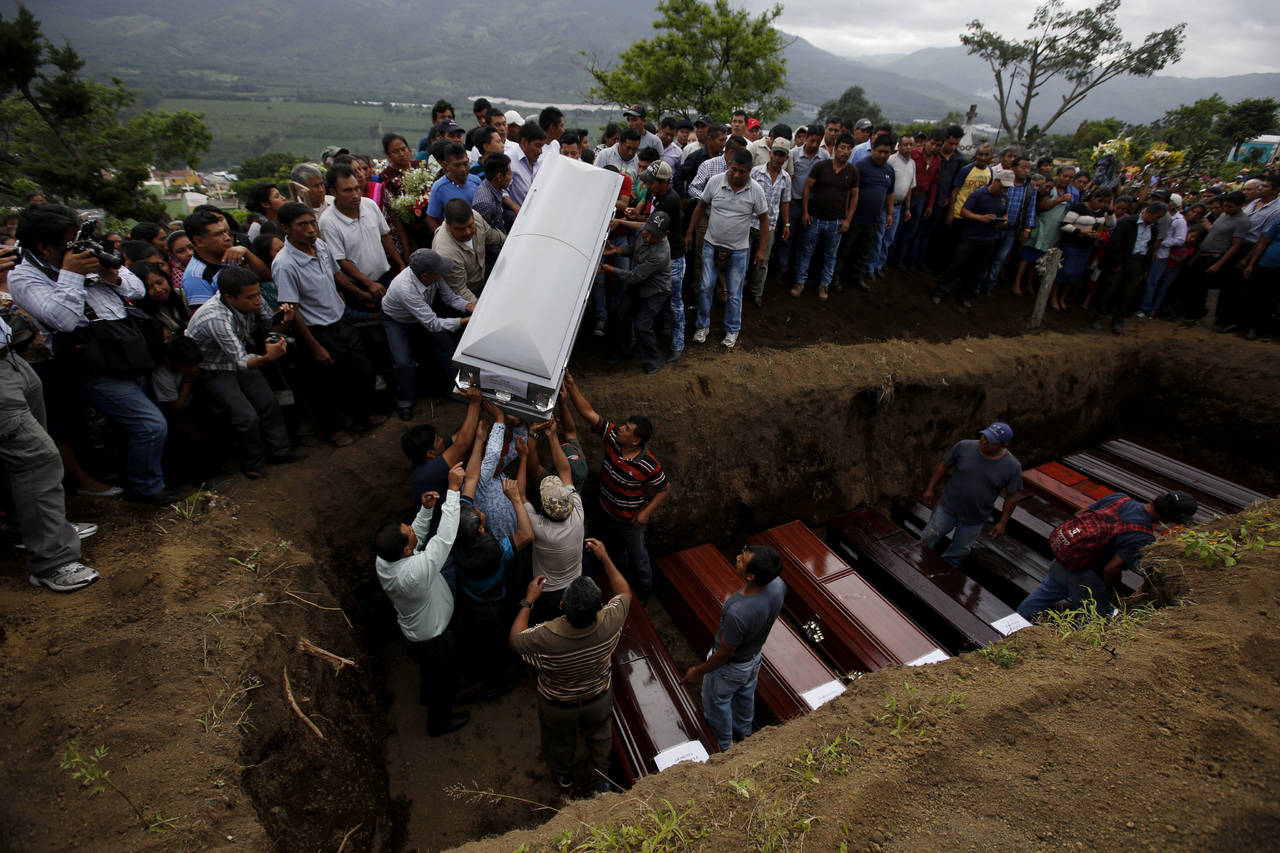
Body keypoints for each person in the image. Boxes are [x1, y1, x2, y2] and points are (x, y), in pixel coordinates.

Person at [10, 204, 173, 504]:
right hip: (91, 365)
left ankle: (136, 479)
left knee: (129, 429)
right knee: (150, 425)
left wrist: (108, 273)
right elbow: (63, 320)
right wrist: (72, 275)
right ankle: (147, 489)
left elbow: (137, 289)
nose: (76, 247)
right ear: (45, 247)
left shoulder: (88, 255)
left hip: (127, 353)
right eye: (67, 242)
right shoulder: (24, 277)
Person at [509, 538, 631, 797]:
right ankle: (600, 782)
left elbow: (516, 640)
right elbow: (625, 593)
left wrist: (528, 601)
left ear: (562, 607)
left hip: (557, 705)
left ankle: (564, 777)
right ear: (599, 608)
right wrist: (605, 557)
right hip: (597, 697)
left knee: (558, 740)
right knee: (599, 737)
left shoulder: (546, 636)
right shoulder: (610, 621)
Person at [0, 312, 100, 592]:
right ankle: (53, 560)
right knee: (37, 460)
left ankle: (40, 529)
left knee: (21, 453)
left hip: (9, 358)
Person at [272, 202, 382, 447]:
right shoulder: (285, 264)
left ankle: (363, 417)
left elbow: (336, 276)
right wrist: (315, 347)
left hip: (341, 321)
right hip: (316, 331)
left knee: (361, 371)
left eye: (312, 222)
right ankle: (335, 430)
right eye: (303, 225)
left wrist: (360, 294)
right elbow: (293, 311)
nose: (311, 229)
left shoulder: (320, 246)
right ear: (286, 228)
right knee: (327, 385)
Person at [373, 462, 470, 736]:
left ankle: (428, 694)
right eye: (409, 530)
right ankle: (440, 721)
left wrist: (426, 510)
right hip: (435, 641)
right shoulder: (414, 573)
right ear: (405, 550)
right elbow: (445, 538)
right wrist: (453, 491)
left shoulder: (384, 560)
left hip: (417, 636)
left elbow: (412, 538)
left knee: (431, 675)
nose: (412, 528)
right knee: (445, 680)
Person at [183, 266, 304, 478]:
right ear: (229, 297)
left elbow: (269, 322)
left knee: (268, 403)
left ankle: (279, 451)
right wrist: (268, 358)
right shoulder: (216, 318)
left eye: (258, 294)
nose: (257, 300)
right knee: (245, 416)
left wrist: (283, 319)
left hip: (241, 359)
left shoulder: (251, 297)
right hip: (215, 368)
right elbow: (241, 361)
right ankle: (252, 463)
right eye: (251, 297)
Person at [562, 372, 669, 601]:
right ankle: (618, 585)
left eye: (627, 429)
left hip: (631, 523)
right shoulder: (613, 439)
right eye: (624, 425)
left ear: (636, 441)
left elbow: (664, 488)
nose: (620, 428)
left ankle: (642, 597)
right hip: (606, 513)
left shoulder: (648, 464)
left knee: (640, 560)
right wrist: (571, 386)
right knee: (615, 553)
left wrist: (646, 513)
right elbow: (588, 413)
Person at [1016, 491, 1198, 621]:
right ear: (1170, 517)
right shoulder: (1141, 535)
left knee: (1041, 596)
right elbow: (1112, 567)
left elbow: (1080, 514)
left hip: (1065, 560)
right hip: (1088, 577)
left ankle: (1011, 628)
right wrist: (1111, 589)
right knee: (1095, 619)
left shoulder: (1119, 498)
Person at [682, 544, 786, 752]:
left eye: (742, 560)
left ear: (750, 577)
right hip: (754, 658)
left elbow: (724, 654)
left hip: (730, 668)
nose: (737, 557)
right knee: (746, 694)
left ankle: (725, 745)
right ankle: (745, 731)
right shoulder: (778, 585)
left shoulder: (738, 612)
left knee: (717, 703)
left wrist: (698, 671)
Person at [685, 149, 769, 349]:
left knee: (734, 292)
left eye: (742, 171)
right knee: (706, 287)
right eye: (734, 170)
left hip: (739, 250)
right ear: (728, 166)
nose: (737, 175)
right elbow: (700, 207)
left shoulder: (755, 190)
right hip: (711, 244)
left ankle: (732, 329)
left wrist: (762, 249)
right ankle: (702, 326)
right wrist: (689, 232)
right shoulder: (715, 181)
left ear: (749, 171)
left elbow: (764, 219)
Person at [381, 249, 475, 418]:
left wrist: (470, 307)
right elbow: (432, 324)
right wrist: (465, 321)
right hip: (397, 321)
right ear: (425, 276)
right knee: (404, 362)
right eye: (440, 271)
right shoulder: (405, 288)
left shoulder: (433, 275)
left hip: (421, 316)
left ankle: (460, 390)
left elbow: (450, 298)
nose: (443, 273)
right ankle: (404, 402)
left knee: (447, 348)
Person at [920, 422, 1023, 566]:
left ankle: (944, 575)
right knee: (929, 536)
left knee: (959, 550)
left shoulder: (1013, 467)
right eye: (984, 436)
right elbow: (944, 465)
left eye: (990, 441)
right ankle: (917, 562)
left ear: (1003, 445)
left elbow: (1013, 496)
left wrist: (1002, 523)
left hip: (975, 517)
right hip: (948, 507)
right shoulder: (964, 446)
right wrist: (930, 488)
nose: (984, 441)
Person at [523, 418, 586, 625]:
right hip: (576, 583)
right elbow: (566, 471)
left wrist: (530, 442)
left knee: (548, 622)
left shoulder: (539, 528)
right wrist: (552, 435)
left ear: (541, 508)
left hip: (546, 590)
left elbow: (519, 496)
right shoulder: (577, 513)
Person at [319, 164, 404, 310]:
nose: (355, 195)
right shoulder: (328, 221)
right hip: (360, 286)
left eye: (357, 188)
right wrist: (368, 284)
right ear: (333, 192)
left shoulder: (369, 205)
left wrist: (400, 264)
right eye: (348, 190)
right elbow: (340, 260)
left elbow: (385, 236)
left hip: (384, 277)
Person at [599, 210, 672, 374]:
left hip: (655, 290)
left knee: (642, 325)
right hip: (638, 283)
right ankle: (625, 351)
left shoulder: (661, 254)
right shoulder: (644, 231)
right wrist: (617, 250)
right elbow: (634, 248)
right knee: (621, 313)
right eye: (648, 231)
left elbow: (634, 277)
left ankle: (653, 361)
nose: (648, 237)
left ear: (665, 234)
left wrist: (610, 269)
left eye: (654, 236)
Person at [791, 132, 857, 301]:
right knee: (807, 251)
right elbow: (807, 189)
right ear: (835, 148)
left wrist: (848, 220)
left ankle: (824, 286)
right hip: (815, 218)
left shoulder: (853, 172)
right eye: (842, 147)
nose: (845, 152)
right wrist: (805, 212)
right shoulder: (821, 166)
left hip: (836, 222)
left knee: (830, 255)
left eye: (849, 149)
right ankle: (800, 283)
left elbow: (855, 196)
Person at [932, 168, 1012, 308]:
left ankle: (965, 295)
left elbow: (1005, 214)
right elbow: (964, 212)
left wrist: (1003, 220)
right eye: (1003, 187)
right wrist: (980, 218)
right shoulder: (978, 194)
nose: (1004, 190)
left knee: (977, 269)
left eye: (1007, 188)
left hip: (990, 239)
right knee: (957, 263)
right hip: (971, 237)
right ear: (996, 181)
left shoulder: (1004, 198)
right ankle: (940, 292)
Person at [833, 133, 895, 293]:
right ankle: (836, 278)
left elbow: (890, 193)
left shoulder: (889, 170)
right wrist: (846, 216)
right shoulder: (860, 167)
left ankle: (856, 276)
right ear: (873, 149)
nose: (883, 155)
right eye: (880, 151)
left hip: (874, 220)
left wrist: (889, 213)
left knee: (864, 251)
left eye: (887, 152)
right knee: (845, 249)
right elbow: (850, 193)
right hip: (855, 218)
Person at [1093, 202, 1164, 334]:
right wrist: (1116, 263)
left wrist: (1145, 268)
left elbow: (1150, 248)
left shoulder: (1154, 228)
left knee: (1128, 293)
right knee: (1109, 289)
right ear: (1149, 213)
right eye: (1157, 217)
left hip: (1139, 262)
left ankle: (1118, 320)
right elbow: (1115, 243)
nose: (1157, 220)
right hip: (1122, 260)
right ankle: (1099, 316)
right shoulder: (1128, 223)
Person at [181, 207, 271, 307]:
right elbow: (208, 318)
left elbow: (266, 276)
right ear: (199, 241)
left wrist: (247, 253)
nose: (227, 238)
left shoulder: (233, 254)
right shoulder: (196, 277)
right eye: (219, 234)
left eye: (226, 232)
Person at [431, 199, 506, 304]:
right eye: (460, 229)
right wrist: (481, 308)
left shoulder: (475, 217)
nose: (467, 232)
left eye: (470, 226)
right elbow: (460, 290)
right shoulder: (446, 253)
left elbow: (492, 235)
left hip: (482, 278)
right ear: (448, 226)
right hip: (470, 294)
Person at [746, 139, 792, 307]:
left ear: (786, 158)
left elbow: (785, 202)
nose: (777, 158)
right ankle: (738, 288)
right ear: (770, 153)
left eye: (782, 155)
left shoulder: (786, 178)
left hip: (770, 225)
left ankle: (756, 292)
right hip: (750, 222)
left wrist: (786, 224)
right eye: (775, 153)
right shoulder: (756, 172)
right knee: (743, 258)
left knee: (762, 261)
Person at [472, 153, 516, 234]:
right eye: (509, 174)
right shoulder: (486, 205)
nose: (511, 178)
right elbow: (488, 235)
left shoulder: (492, 187)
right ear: (499, 177)